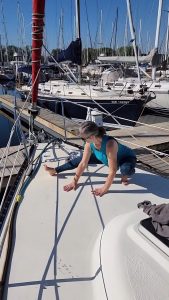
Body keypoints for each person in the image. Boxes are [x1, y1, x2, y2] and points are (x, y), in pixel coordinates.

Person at [63, 121, 136, 197]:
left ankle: (126, 175)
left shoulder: (110, 144)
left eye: (83, 138)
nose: (83, 141)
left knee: (125, 170)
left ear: (91, 137)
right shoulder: (89, 143)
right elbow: (83, 163)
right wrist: (74, 181)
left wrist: (104, 189)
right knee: (80, 159)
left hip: (126, 157)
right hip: (111, 157)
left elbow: (112, 170)